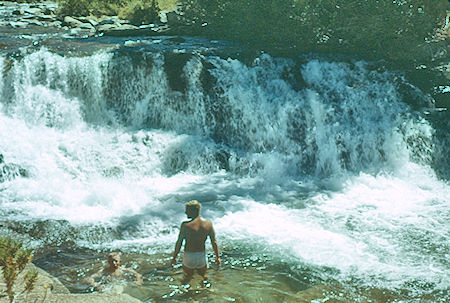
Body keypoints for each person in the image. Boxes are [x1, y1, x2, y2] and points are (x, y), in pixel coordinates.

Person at [170, 200, 220, 284]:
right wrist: (217, 257)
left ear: (193, 211)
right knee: (204, 276)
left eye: (187, 210)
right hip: (202, 256)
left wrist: (174, 257)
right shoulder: (208, 223)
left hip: (189, 256)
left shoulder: (185, 225)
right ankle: (209, 292)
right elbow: (213, 241)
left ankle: (185, 295)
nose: (185, 213)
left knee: (187, 277)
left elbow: (179, 242)